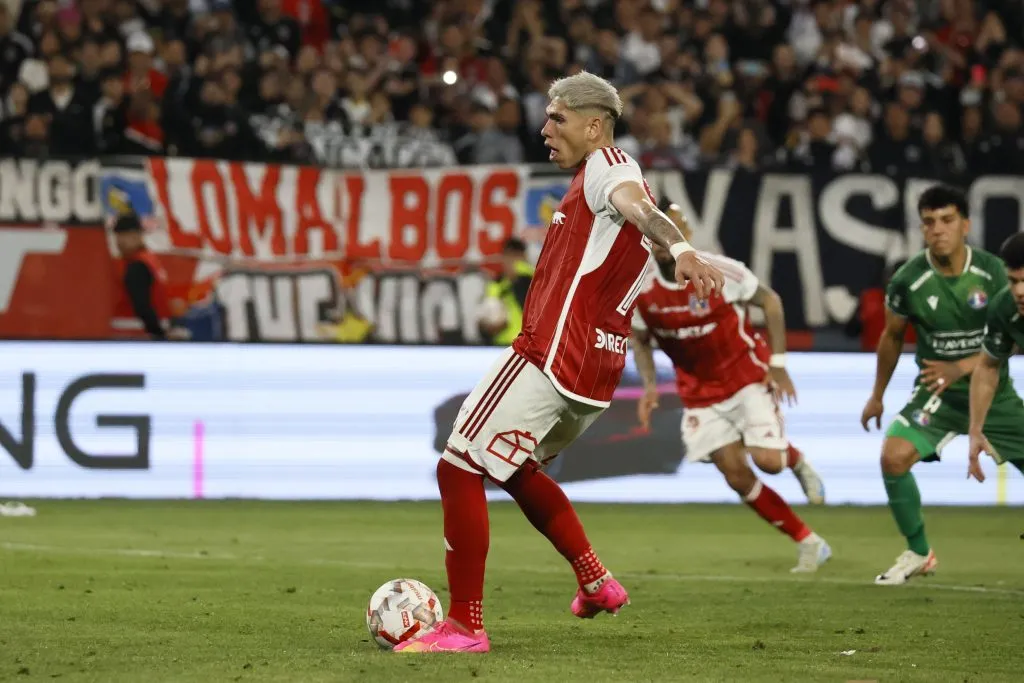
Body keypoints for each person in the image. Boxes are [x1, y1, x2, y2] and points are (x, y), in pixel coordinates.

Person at [395, 71, 725, 654]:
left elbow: (640, 205)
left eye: (557, 117)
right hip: (592, 377)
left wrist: (682, 249)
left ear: (593, 125)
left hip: (549, 354)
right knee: (514, 467)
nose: (545, 127)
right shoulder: (591, 183)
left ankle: (466, 626)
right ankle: (596, 582)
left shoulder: (608, 167)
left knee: (458, 466)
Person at [631, 202, 831, 574]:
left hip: (745, 377)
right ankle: (809, 541)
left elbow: (770, 302)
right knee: (737, 476)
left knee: (768, 463)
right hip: (700, 394)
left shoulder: (720, 270)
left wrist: (779, 364)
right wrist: (649, 388)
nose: (663, 242)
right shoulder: (640, 289)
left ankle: (796, 459)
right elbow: (639, 340)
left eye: (671, 232)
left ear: (685, 236)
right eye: (656, 234)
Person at [860, 184, 1023, 586]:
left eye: (947, 220)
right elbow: (892, 337)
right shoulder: (907, 280)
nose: (938, 230)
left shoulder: (995, 272)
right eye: (929, 222)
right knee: (893, 457)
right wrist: (877, 395)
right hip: (936, 395)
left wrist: (961, 366)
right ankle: (918, 551)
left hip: (993, 397)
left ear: (965, 224)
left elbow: (1009, 342)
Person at [967, 233, 1024, 482]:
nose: (1019, 291)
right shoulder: (1004, 307)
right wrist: (976, 429)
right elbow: (988, 368)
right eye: (1013, 281)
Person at [112, 213, 188, 341]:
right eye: (118, 236)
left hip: (137, 335)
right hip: (144, 333)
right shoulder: (150, 261)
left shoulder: (137, 266)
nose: (120, 242)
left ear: (137, 236)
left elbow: (142, 305)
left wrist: (159, 334)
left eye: (125, 236)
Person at [478, 237, 534, 345]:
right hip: (501, 346)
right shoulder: (495, 284)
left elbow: (531, 308)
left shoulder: (534, 280)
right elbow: (483, 318)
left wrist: (517, 280)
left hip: (526, 346)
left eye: (515, 256)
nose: (510, 261)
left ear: (523, 257)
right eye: (507, 256)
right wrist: (488, 328)